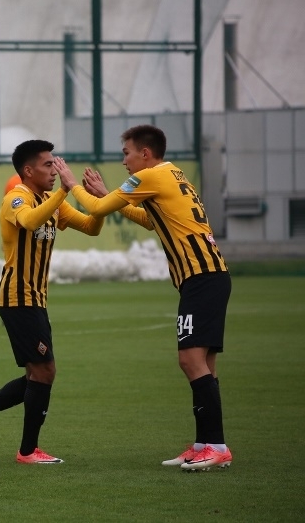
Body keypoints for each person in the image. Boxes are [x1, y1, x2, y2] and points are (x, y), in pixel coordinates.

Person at [54, 124, 232, 472]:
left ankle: (217, 446)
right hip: (209, 276)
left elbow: (97, 209)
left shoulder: (149, 176)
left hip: (201, 278)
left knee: (190, 360)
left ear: (145, 154)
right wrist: (107, 193)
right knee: (204, 364)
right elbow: (150, 221)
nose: (124, 161)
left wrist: (72, 183)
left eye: (127, 153)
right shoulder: (172, 174)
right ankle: (205, 445)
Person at [0, 139, 104, 464]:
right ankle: (27, 451)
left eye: (55, 164)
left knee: (39, 374)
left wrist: (101, 203)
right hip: (17, 298)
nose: (55, 170)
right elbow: (30, 221)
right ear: (28, 170)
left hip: (36, 299)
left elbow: (92, 227)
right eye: (48, 165)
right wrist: (65, 191)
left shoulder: (51, 202)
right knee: (45, 371)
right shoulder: (16, 198)